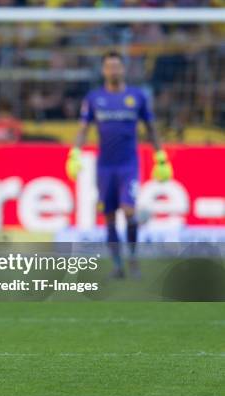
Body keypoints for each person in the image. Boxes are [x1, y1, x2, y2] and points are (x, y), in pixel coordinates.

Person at [66, 51, 173, 279]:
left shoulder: (137, 97)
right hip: (104, 166)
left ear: (123, 69)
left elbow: (151, 128)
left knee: (129, 210)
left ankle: (133, 259)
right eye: (109, 67)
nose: (113, 70)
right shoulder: (95, 98)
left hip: (128, 165)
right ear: (103, 71)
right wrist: (75, 152)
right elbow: (84, 128)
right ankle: (117, 265)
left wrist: (160, 155)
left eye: (116, 66)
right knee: (109, 215)